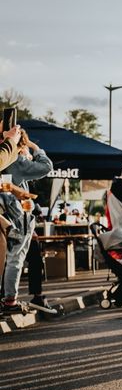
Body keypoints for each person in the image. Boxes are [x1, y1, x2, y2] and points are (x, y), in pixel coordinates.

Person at [2, 131, 52, 312]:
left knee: (7, 258)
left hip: (6, 213)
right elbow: (46, 167)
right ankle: (10, 300)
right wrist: (35, 148)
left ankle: (6, 297)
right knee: (16, 258)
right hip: (18, 214)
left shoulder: (3, 158)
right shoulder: (15, 160)